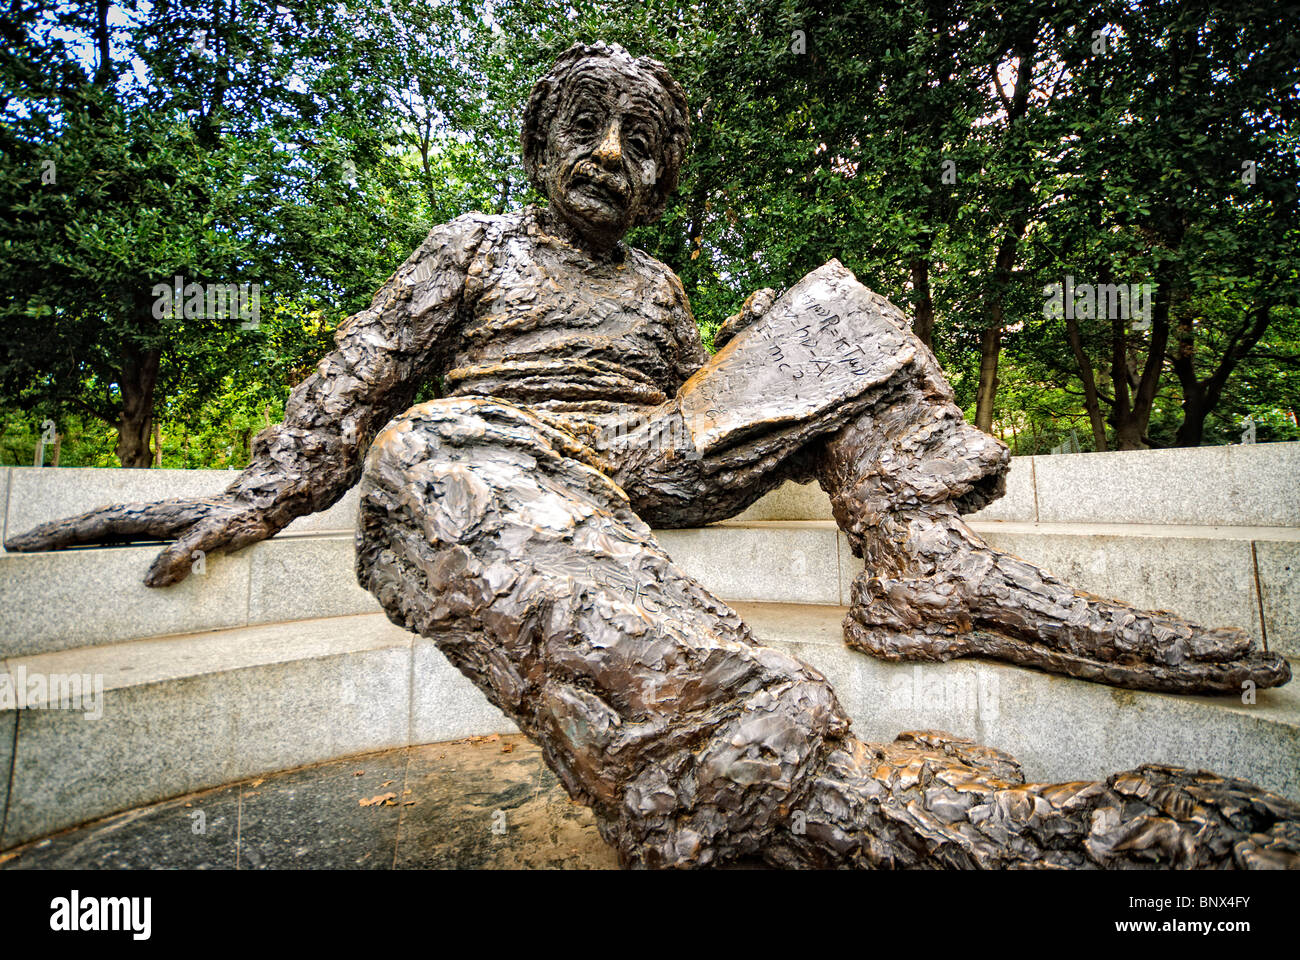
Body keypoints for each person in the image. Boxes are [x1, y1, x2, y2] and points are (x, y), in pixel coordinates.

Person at [9, 42, 1295, 868]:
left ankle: (921, 568)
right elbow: (358, 384)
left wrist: (768, 362)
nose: (611, 154)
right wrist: (254, 496)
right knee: (426, 442)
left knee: (834, 317)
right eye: (585, 127)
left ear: (663, 176)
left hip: (649, 450)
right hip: (504, 446)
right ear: (538, 148)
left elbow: (701, 405)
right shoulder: (471, 247)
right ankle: (761, 763)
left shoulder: (660, 286)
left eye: (640, 141)